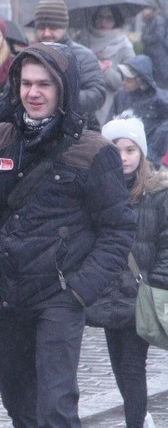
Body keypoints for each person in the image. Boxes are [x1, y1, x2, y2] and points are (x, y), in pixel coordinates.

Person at [0, 42, 137, 427]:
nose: (33, 93)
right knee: (20, 407)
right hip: (1, 294)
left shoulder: (93, 151)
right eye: (25, 83)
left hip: (58, 297)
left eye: (44, 84)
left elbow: (118, 230)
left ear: (63, 89)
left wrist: (78, 290)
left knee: (55, 408)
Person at [92, 116, 168, 428]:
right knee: (119, 364)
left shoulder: (158, 193)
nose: (123, 157)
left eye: (130, 150)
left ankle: (135, 421)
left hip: (141, 292)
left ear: (141, 153)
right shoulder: (97, 191)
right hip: (110, 292)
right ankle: (140, 416)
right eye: (116, 149)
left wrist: (156, 282)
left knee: (133, 364)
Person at [32, 0, 106, 130]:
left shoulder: (84, 57)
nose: (46, 33)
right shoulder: (29, 56)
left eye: (53, 27)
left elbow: (97, 94)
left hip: (72, 134)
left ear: (64, 27)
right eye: (42, 27)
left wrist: (61, 99)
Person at [76, 4, 136, 123]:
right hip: (82, 111)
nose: (103, 22)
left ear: (116, 20)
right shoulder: (82, 42)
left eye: (109, 18)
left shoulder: (124, 47)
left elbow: (130, 84)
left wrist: (104, 70)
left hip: (110, 113)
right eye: (99, 17)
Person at [108, 55, 168, 167]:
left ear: (141, 81)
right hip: (121, 154)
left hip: (149, 156)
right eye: (123, 78)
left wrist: (153, 150)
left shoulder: (159, 99)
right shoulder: (120, 95)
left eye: (129, 80)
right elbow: (109, 122)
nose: (124, 82)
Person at [139, 0, 168, 90]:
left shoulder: (158, 20)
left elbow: (159, 36)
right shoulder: (148, 22)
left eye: (146, 9)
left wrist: (145, 38)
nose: (143, 12)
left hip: (158, 58)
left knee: (159, 85)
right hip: (151, 56)